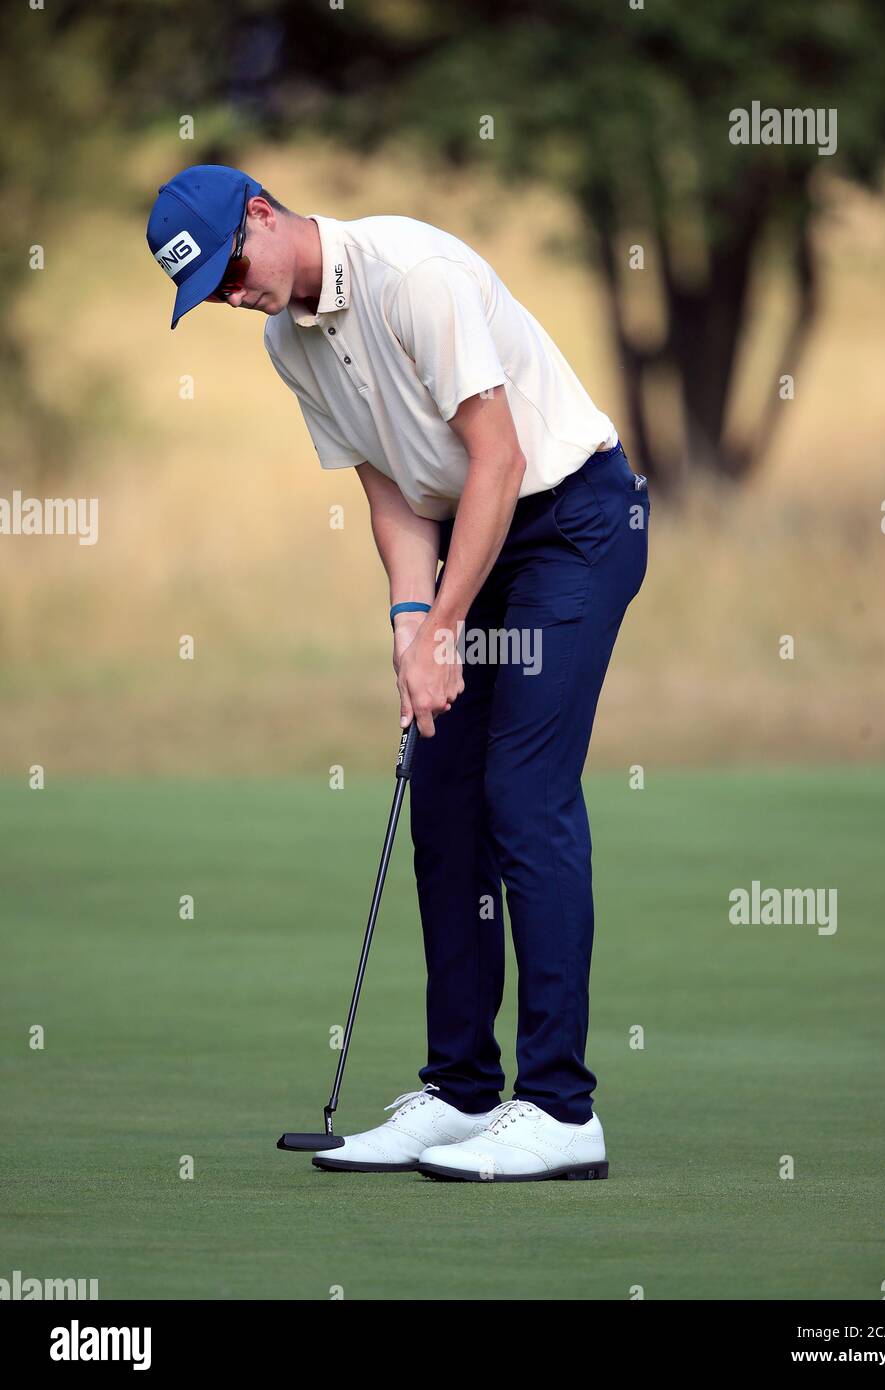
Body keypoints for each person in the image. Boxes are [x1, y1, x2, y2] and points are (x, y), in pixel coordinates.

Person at [147, 164, 649, 1182]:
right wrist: (410, 622)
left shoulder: (412, 270)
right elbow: (394, 495)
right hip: (470, 541)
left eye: (233, 267)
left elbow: (497, 460)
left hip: (570, 525)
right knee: (442, 799)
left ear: (261, 212)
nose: (233, 294)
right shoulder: (289, 342)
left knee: (523, 789)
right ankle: (462, 1090)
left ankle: (561, 1109)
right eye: (211, 295)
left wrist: (446, 622)